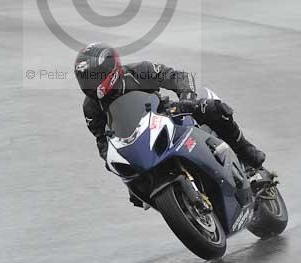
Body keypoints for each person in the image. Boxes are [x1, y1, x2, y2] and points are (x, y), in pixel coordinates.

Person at [74, 42, 266, 171]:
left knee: (214, 109)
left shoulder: (137, 72)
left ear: (111, 70)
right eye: (84, 79)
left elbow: (177, 77)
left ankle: (245, 152)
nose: (90, 84)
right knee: (130, 183)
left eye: (94, 77)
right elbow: (101, 140)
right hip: (136, 143)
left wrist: (187, 98)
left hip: (167, 115)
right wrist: (112, 159)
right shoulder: (91, 107)